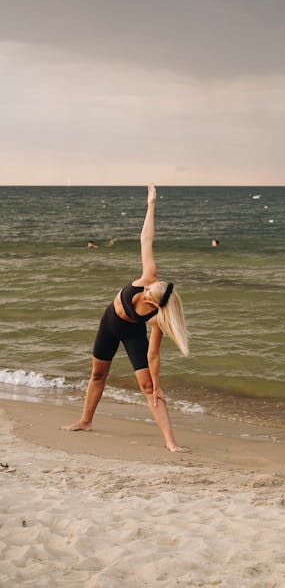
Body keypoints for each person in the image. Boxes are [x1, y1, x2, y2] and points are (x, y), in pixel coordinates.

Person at [63, 183, 189, 452]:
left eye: (149, 294)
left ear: (155, 303)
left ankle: (170, 441)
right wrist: (151, 204)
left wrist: (157, 384)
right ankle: (85, 421)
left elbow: (153, 355)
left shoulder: (157, 318)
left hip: (132, 333)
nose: (145, 291)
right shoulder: (149, 277)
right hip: (109, 323)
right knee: (98, 373)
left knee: (148, 387)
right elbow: (146, 239)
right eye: (147, 288)